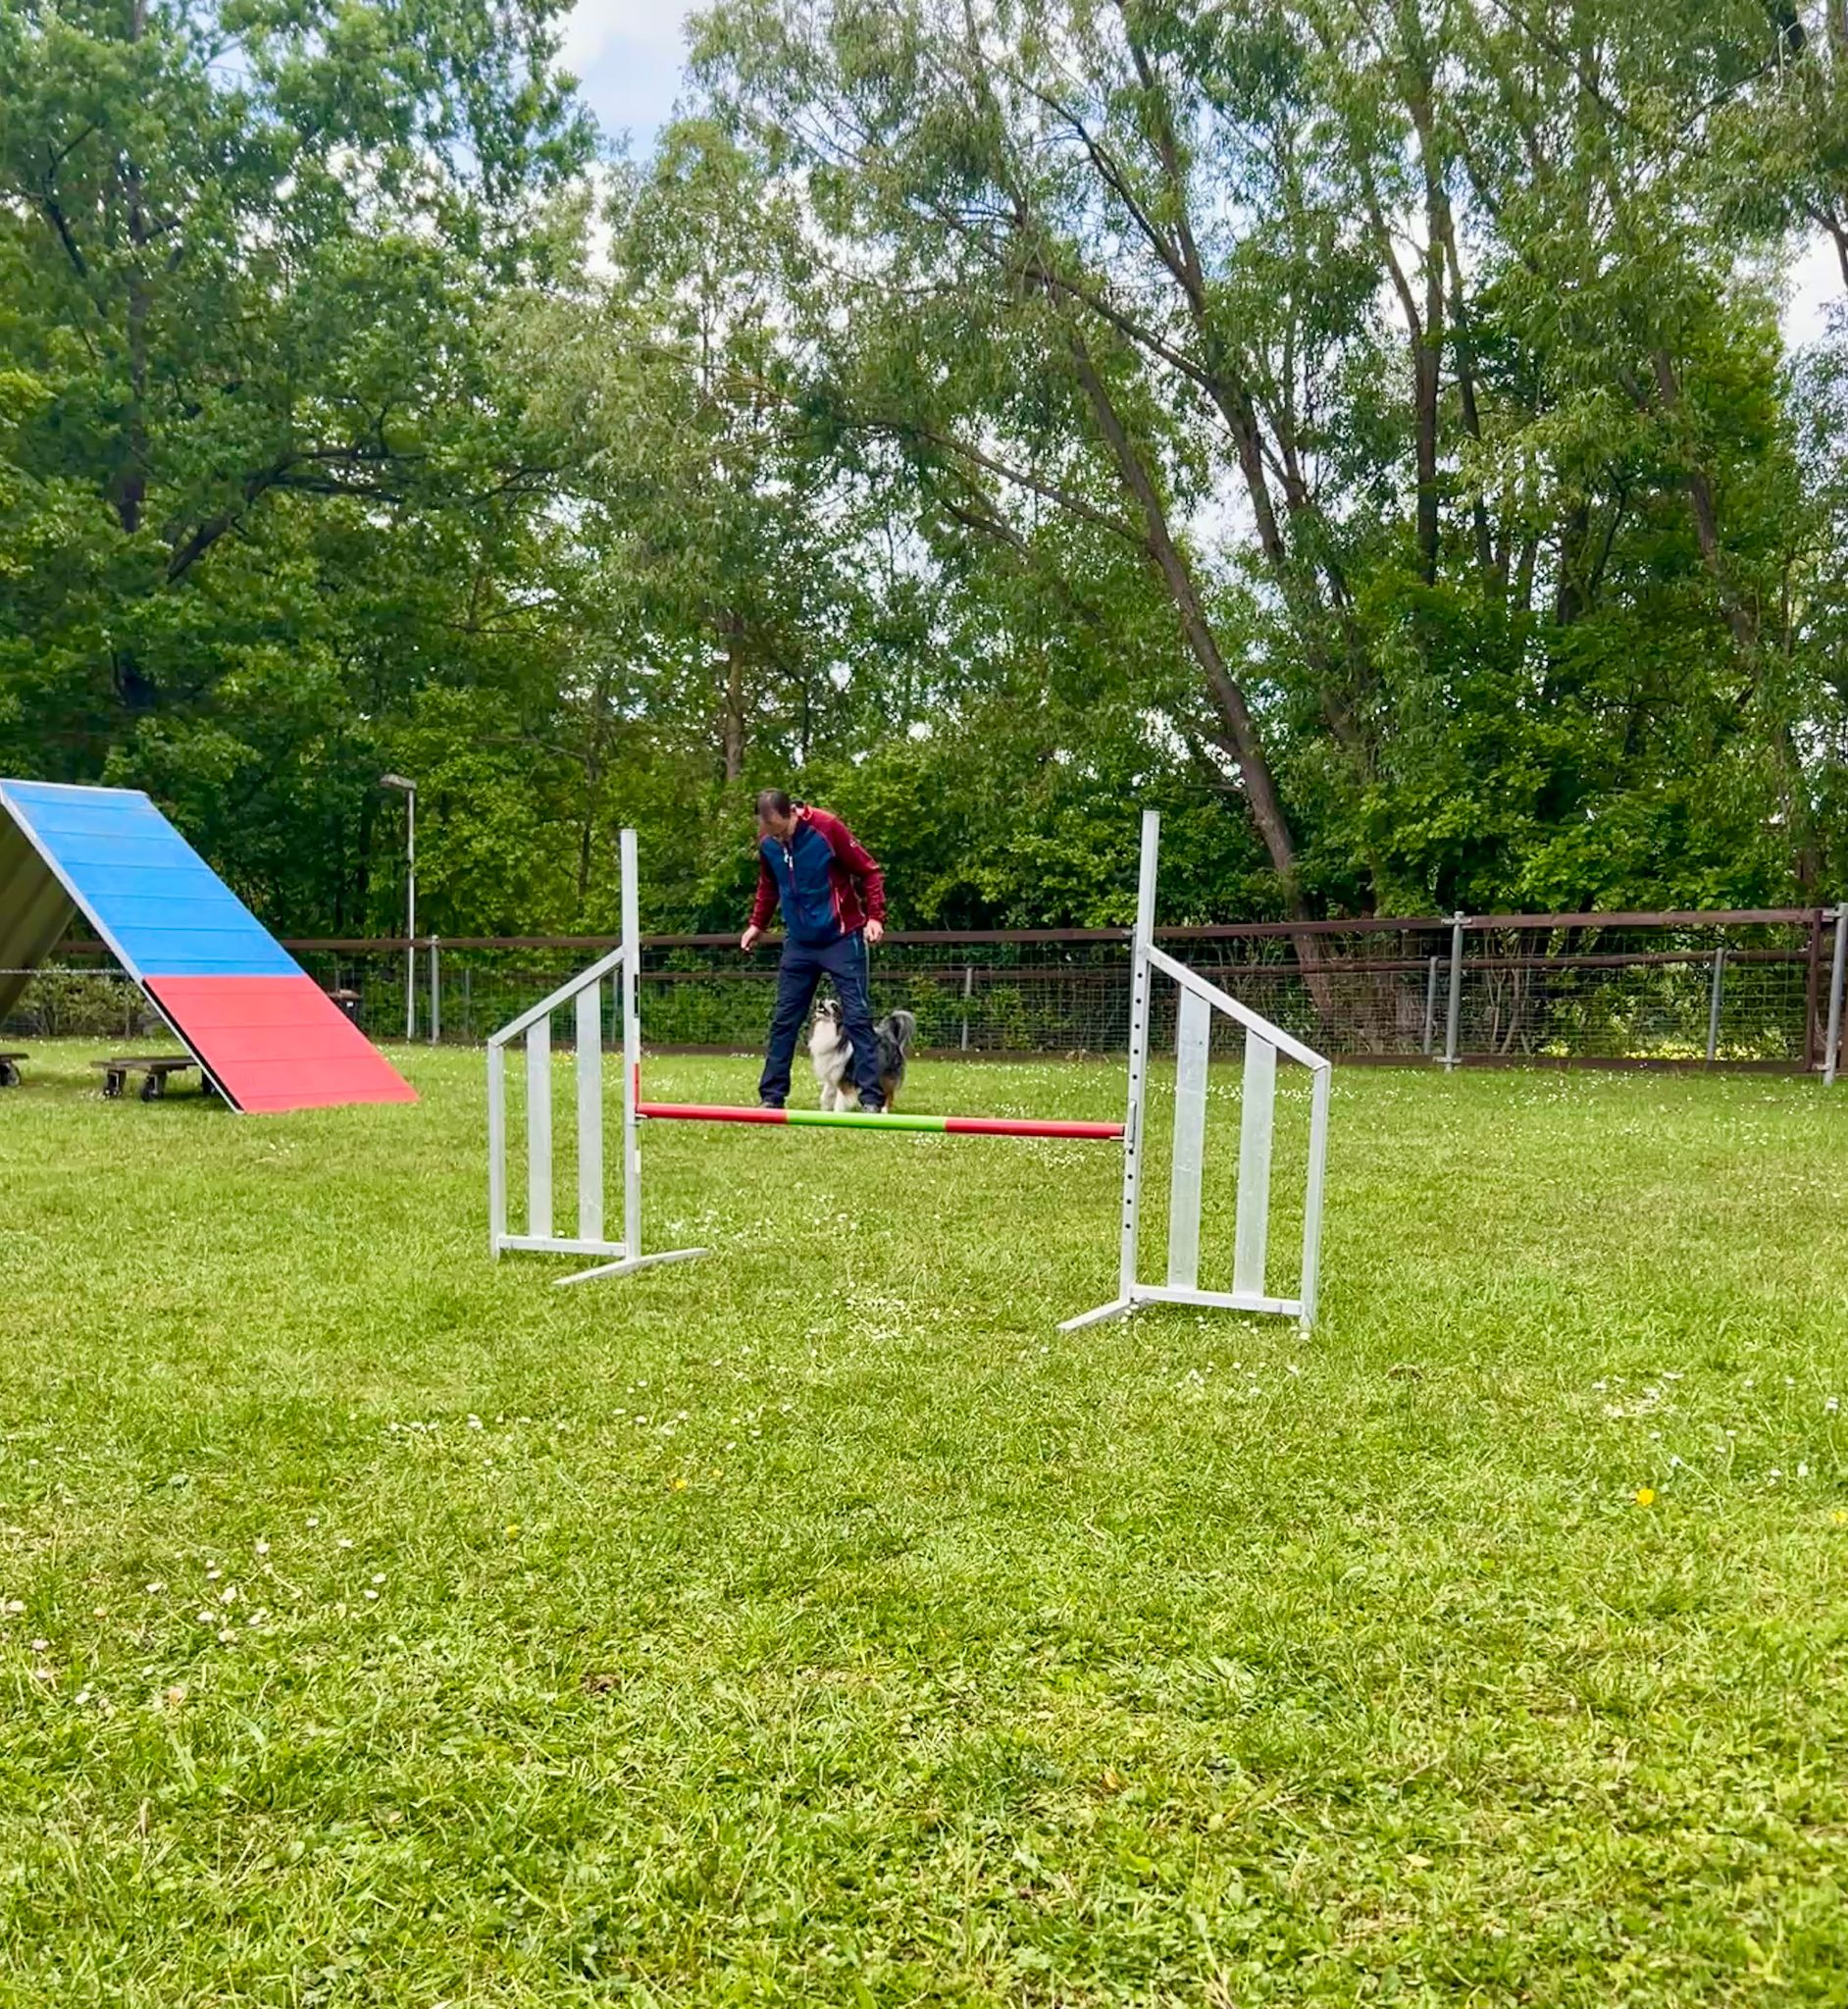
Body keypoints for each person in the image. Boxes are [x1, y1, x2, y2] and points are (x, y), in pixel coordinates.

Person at [742, 790, 889, 1110]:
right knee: (784, 1020)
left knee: (857, 1018)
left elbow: (869, 871)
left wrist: (875, 917)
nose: (777, 837)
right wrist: (757, 924)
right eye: (769, 831)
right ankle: (771, 1097)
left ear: (792, 814)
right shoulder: (768, 843)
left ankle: (871, 1099)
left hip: (841, 937)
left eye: (780, 830)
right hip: (799, 942)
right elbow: (769, 885)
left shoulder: (827, 828)